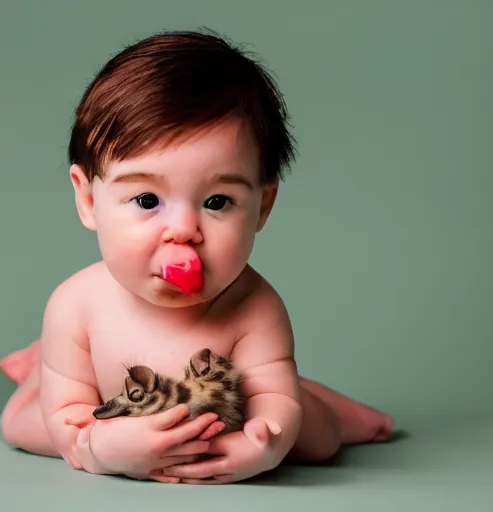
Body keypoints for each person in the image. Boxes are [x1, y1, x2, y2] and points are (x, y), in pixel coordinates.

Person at [0, 29, 393, 484]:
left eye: (217, 202)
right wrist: (98, 447)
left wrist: (256, 448)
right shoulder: (77, 306)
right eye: (147, 200)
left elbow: (271, 411)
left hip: (226, 404)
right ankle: (44, 367)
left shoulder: (253, 308)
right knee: (21, 424)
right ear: (89, 200)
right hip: (109, 402)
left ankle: (342, 413)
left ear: (262, 206)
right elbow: (72, 425)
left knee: (315, 438)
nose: (184, 231)